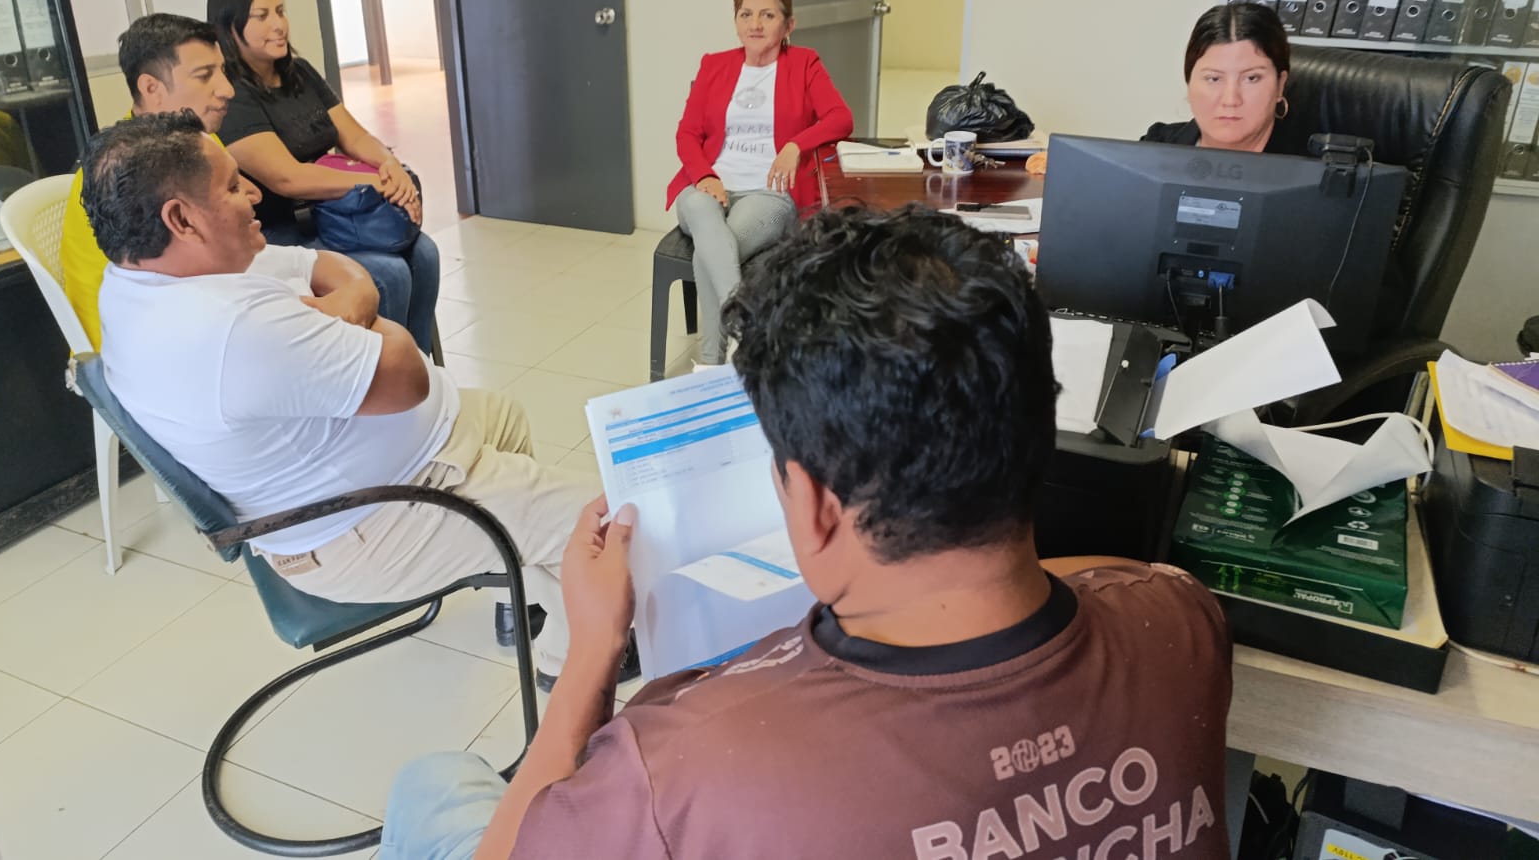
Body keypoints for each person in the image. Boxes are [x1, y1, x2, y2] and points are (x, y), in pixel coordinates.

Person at [380, 205, 1234, 860]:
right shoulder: (1182, 622)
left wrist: (594, 653)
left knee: (433, 785)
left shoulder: (680, 767)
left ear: (819, 508)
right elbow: (1109, 579)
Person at [82, 111, 616, 684]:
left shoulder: (145, 276)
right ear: (182, 219)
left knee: (504, 417)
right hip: (366, 523)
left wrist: (350, 301)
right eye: (234, 186)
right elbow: (407, 375)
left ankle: (525, 590)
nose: (255, 193)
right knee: (610, 525)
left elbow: (319, 263)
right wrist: (363, 311)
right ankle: (567, 664)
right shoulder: (228, 330)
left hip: (383, 475)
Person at [208, 0, 440, 354]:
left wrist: (390, 167)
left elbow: (355, 137)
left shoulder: (298, 73)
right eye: (261, 16)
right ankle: (387, 376)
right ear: (229, 28)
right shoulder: (233, 95)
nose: (279, 24)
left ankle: (421, 368)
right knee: (390, 273)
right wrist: (374, 183)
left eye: (280, 11)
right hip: (281, 230)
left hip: (334, 215)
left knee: (425, 254)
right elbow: (288, 179)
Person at [665, 0, 852, 366]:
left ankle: (710, 364)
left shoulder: (804, 63)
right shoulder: (715, 65)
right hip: (707, 185)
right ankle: (747, 329)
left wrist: (794, 145)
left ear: (789, 24)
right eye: (745, 14)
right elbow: (687, 133)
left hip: (766, 192)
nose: (755, 24)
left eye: (768, 15)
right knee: (699, 208)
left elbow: (840, 118)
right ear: (735, 21)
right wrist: (705, 176)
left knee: (711, 250)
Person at [60, 13, 235, 348]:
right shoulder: (123, 176)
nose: (227, 89)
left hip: (197, 317)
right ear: (151, 88)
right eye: (204, 75)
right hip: (140, 350)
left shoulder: (194, 142)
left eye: (223, 71)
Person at [1026, 0, 1298, 175]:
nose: (1230, 99)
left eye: (1251, 78)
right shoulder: (1157, 148)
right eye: (1214, 79)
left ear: (1280, 85)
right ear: (1189, 83)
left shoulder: (1313, 172)